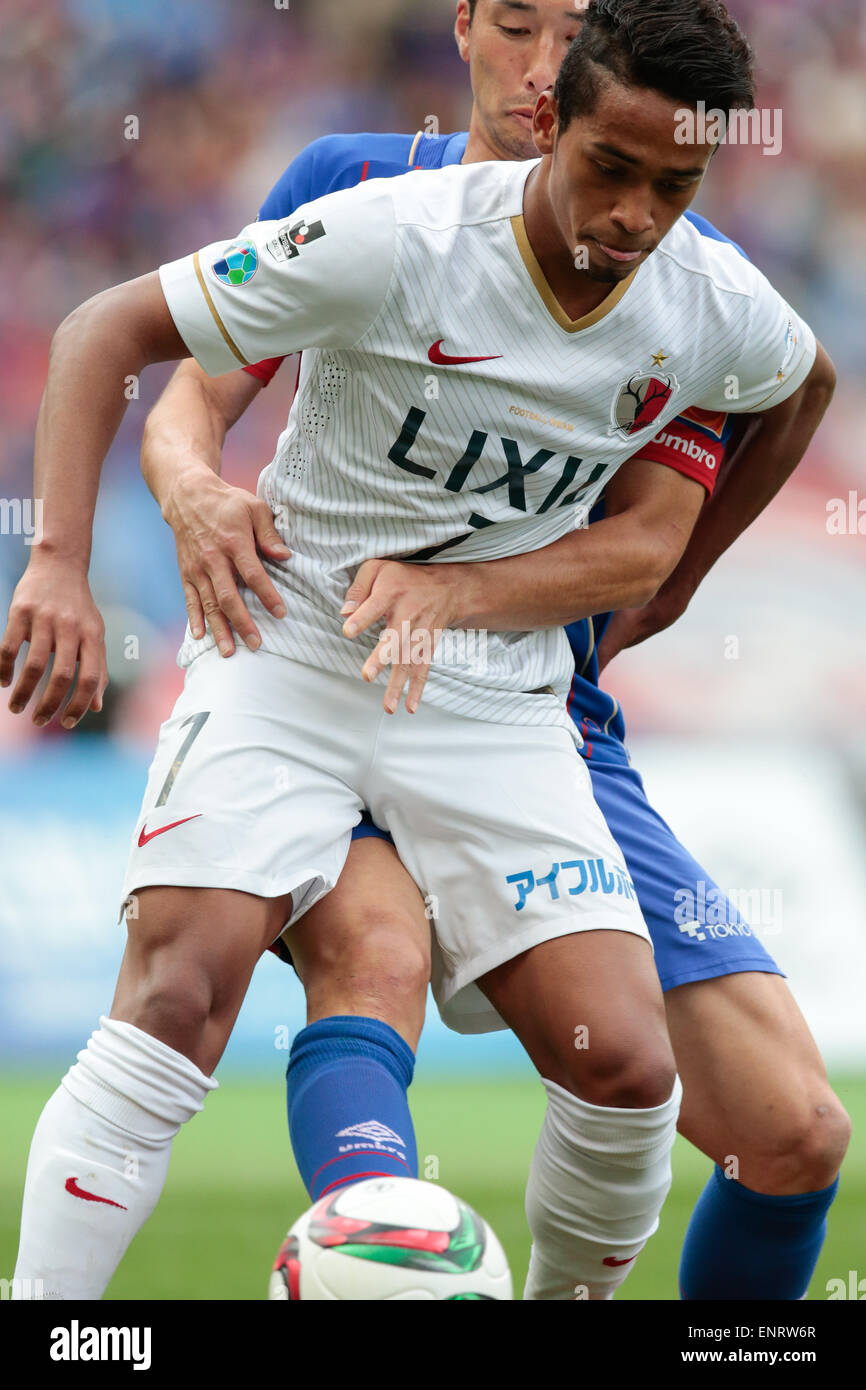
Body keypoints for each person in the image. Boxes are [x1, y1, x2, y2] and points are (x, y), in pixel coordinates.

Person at [2, 0, 837, 1302]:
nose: (629, 213)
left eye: (667, 185)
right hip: (290, 649)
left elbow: (796, 388)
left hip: (502, 695)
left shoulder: (706, 301)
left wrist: (662, 587)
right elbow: (106, 330)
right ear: (544, 115)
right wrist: (59, 557)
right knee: (185, 978)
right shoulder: (381, 226)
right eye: (607, 171)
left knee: (627, 1060)